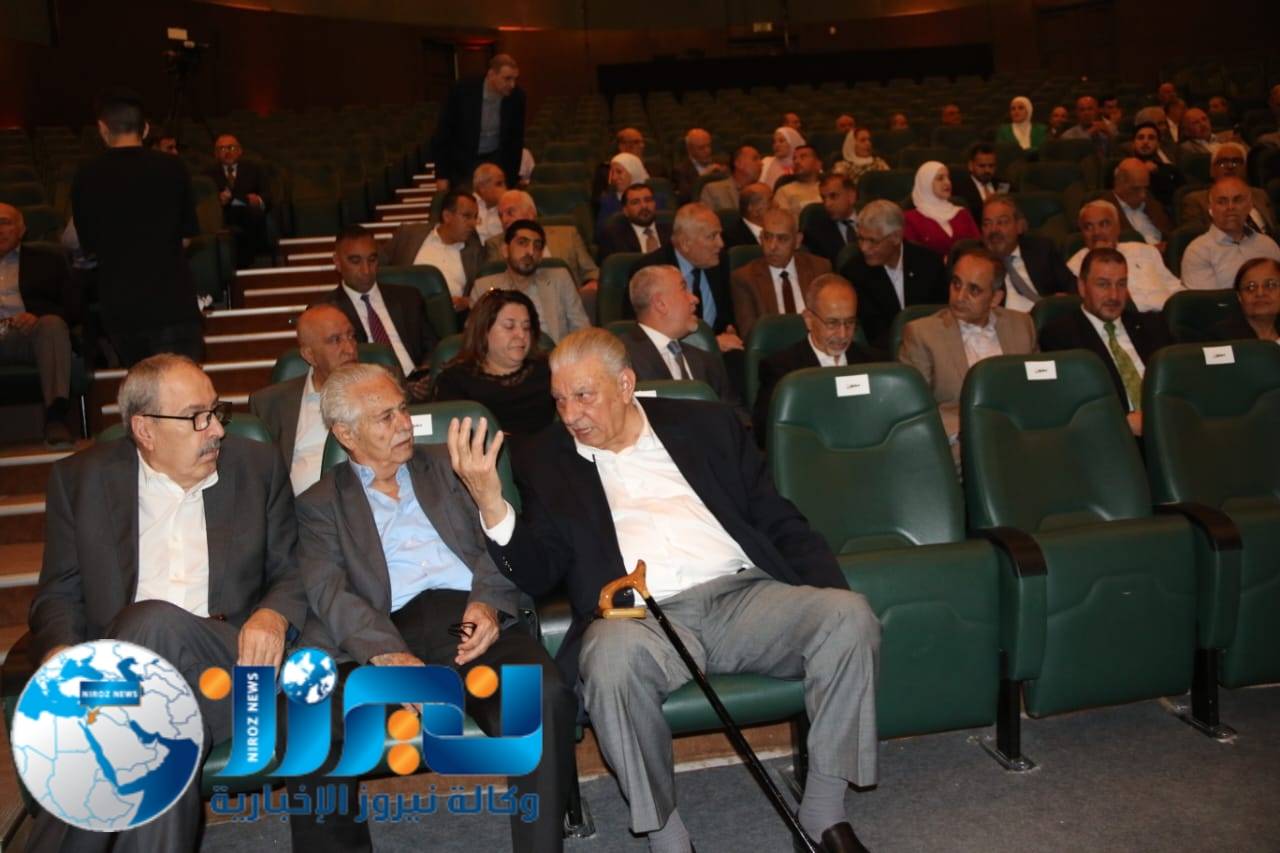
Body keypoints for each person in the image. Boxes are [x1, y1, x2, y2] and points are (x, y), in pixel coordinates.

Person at [448, 328, 881, 853]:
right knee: (609, 660)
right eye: (560, 399)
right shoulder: (545, 458)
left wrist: (827, 593)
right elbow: (538, 573)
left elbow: (776, 517)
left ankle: (823, 813)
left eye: (584, 395)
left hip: (743, 595)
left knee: (848, 615)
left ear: (625, 384)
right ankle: (667, 836)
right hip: (640, 620)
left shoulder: (706, 424)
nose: (571, 414)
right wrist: (492, 504)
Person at [26, 353, 307, 853]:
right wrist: (60, 651)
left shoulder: (256, 466)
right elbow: (59, 593)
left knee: (149, 622)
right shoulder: (81, 480)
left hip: (231, 665)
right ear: (145, 430)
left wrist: (273, 614)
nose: (216, 429)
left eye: (216, 411)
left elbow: (294, 569)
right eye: (197, 417)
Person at [297, 362, 575, 852]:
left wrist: (488, 604)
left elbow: (497, 539)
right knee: (310, 715)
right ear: (345, 433)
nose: (405, 423)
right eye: (385, 417)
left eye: (403, 408)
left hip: (464, 622)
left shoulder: (450, 467)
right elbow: (328, 591)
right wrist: (387, 655)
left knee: (539, 695)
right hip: (383, 631)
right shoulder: (320, 503)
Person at [71, 88, 201, 366]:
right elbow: (187, 238)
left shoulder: (86, 176)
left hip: (121, 306)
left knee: (141, 385)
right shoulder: (173, 168)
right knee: (182, 384)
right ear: (145, 128)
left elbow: (89, 245)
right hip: (172, 299)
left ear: (103, 128)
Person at [899, 246, 1037, 441]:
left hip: (1020, 433)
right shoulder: (922, 334)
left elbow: (1036, 390)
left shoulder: (1022, 326)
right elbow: (913, 407)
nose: (960, 297)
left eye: (974, 290)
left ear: (995, 298)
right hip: (961, 440)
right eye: (956, 284)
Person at [1041, 247, 1171, 436]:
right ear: (1082, 287)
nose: (1114, 296)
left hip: (1169, 427)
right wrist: (1123, 423)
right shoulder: (1060, 336)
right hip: (1112, 436)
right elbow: (1073, 404)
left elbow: (1177, 383)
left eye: (1121, 284)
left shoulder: (1153, 326)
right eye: (1103, 284)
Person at [249, 304, 358, 494]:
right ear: (309, 355)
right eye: (335, 340)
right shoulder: (270, 403)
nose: (350, 348)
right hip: (300, 508)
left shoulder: (384, 387)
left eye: (351, 336)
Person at [753, 274, 879, 436]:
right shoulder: (782, 370)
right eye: (832, 323)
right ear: (809, 319)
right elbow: (766, 432)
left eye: (849, 322)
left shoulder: (875, 363)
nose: (843, 334)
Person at [323, 224, 437, 398]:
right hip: (368, 395)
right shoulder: (326, 312)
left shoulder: (408, 298)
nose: (366, 270)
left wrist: (427, 374)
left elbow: (433, 346)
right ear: (337, 262)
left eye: (372, 260)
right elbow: (335, 369)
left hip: (421, 392)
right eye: (355, 261)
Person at [431, 289, 555, 437]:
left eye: (526, 327)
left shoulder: (549, 370)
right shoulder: (454, 381)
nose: (521, 335)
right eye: (509, 326)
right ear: (484, 331)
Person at [0, 203, 75, 446]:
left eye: (4, 223)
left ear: (22, 229)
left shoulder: (47, 261)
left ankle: (56, 417)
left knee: (52, 324)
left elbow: (73, 308)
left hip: (29, 335)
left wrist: (37, 315)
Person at [620, 265, 741, 411]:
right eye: (684, 289)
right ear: (660, 304)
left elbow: (735, 416)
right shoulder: (621, 357)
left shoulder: (708, 362)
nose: (695, 299)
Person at [840, 199, 948, 350]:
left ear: (896, 237)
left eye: (872, 241)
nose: (864, 248)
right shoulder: (854, 273)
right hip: (883, 353)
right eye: (861, 239)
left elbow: (941, 317)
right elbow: (871, 332)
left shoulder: (929, 264)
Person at [634, 203, 740, 352]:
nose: (721, 244)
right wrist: (710, 343)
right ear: (685, 244)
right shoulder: (651, 271)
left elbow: (727, 314)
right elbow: (645, 335)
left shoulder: (719, 261)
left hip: (720, 352)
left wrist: (730, 330)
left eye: (720, 235)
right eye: (712, 236)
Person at [471, 219, 590, 342]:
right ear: (505, 250)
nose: (531, 251)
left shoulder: (560, 279)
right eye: (522, 243)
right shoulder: (483, 287)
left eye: (537, 246)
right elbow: (475, 339)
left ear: (541, 255)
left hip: (555, 352)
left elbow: (582, 330)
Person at [1065, 199, 1183, 312]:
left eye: (1104, 224)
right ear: (1082, 233)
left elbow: (1175, 288)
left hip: (1171, 314)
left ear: (1118, 227)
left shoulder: (1145, 250)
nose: (1096, 232)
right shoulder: (1076, 266)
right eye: (1088, 227)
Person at [731, 207, 831, 338]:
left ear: (797, 241)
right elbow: (751, 335)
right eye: (767, 237)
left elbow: (830, 320)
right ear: (760, 238)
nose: (772, 247)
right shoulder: (744, 279)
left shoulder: (819, 268)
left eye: (782, 239)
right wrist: (801, 325)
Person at [432, 54, 525, 192]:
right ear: (491, 74)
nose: (512, 85)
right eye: (507, 79)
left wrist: (511, 180)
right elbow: (444, 134)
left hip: (496, 160)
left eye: (515, 79)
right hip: (464, 162)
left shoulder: (517, 97)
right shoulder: (463, 90)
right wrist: (442, 175)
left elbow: (515, 141)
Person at [382, 187, 484, 311]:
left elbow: (483, 292)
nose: (473, 223)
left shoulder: (475, 251)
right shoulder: (409, 234)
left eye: (475, 217)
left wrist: (467, 302)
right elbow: (379, 265)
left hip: (448, 316)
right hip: (404, 311)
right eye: (467, 216)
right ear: (447, 216)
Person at [485, 189, 598, 297]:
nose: (504, 220)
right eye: (500, 215)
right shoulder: (496, 244)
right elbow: (494, 281)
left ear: (531, 214)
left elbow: (591, 272)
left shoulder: (567, 235)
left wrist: (591, 285)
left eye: (510, 212)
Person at [1180, 177, 1280, 291]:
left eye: (1237, 200)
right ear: (1211, 208)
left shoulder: (1268, 245)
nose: (1230, 207)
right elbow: (1205, 300)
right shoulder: (1198, 251)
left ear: (1250, 206)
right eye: (1222, 202)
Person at [980, 194, 1075, 311]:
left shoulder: (1042, 250)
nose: (993, 230)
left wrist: (1064, 299)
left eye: (1002, 222)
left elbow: (1073, 287)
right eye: (987, 224)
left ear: (1019, 226)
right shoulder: (975, 262)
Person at [1179, 144, 1278, 235]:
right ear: (1211, 171)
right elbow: (1196, 236)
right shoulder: (1195, 200)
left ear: (1245, 169)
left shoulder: (1260, 194)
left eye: (1236, 162)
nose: (1230, 167)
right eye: (1222, 163)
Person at [207, 133, 269, 267]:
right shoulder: (208, 175)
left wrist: (258, 200)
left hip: (248, 215)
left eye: (231, 147)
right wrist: (221, 200)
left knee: (251, 213)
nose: (228, 152)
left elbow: (267, 196)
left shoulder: (254, 169)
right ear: (216, 154)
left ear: (240, 151)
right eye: (222, 149)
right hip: (223, 215)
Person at [902, 162, 980, 259]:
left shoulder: (962, 213)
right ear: (926, 183)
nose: (947, 182)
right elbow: (912, 255)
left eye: (948, 178)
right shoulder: (909, 219)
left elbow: (978, 246)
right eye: (940, 178)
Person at [596, 182, 673, 260]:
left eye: (648, 200)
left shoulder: (672, 231)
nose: (644, 206)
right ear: (625, 210)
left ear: (654, 204)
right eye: (636, 202)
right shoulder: (612, 238)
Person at [1211, 257, 1280, 342]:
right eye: (1250, 287)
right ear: (1239, 296)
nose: (1260, 293)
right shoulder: (1220, 338)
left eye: (1270, 285)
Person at [1110, 158, 1173, 249]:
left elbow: (1169, 231)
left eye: (1145, 188)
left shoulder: (1150, 200)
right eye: (1136, 189)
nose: (1143, 195)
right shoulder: (1106, 208)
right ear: (1119, 182)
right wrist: (1152, 250)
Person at [804, 172, 859, 266]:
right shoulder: (815, 233)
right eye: (824, 198)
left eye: (833, 196)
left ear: (851, 196)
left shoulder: (871, 220)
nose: (827, 204)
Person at [591, 127, 654, 204]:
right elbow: (598, 200)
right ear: (622, 146)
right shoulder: (606, 170)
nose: (642, 146)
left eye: (642, 142)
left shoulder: (653, 168)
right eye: (636, 142)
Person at [1130, 122, 1184, 209]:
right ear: (1133, 143)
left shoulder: (1170, 170)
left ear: (1158, 144)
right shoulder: (1121, 169)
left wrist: (1157, 174)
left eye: (1151, 138)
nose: (1145, 142)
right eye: (1140, 138)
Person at [949, 144, 1008, 222]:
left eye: (991, 166)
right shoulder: (960, 189)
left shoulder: (1003, 185)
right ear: (970, 166)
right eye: (982, 166)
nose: (987, 170)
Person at [597, 152, 651, 235]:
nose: (614, 177)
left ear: (633, 172)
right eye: (612, 173)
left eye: (619, 172)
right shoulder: (608, 202)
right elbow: (601, 234)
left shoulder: (654, 199)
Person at [670, 128, 726, 205]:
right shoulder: (680, 171)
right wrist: (703, 176)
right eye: (701, 148)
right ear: (690, 150)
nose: (707, 151)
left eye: (709, 146)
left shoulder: (720, 163)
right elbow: (684, 198)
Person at [700, 144, 762, 213]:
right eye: (755, 159)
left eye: (760, 159)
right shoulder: (713, 190)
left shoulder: (762, 192)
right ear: (739, 163)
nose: (761, 163)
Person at [772, 144, 823, 220]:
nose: (796, 161)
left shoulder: (829, 187)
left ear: (818, 164)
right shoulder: (784, 191)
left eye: (803, 157)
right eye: (794, 158)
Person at [721, 182, 771, 249]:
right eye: (770, 200)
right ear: (754, 209)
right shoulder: (732, 239)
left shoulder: (777, 229)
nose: (777, 205)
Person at [472, 162, 508, 242]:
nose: (505, 188)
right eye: (499, 184)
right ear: (482, 187)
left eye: (504, 183)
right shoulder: (467, 205)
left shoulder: (507, 209)